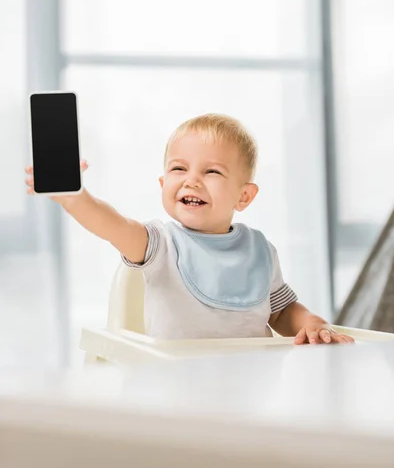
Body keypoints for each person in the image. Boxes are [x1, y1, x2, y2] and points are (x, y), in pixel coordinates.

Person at [25, 113, 354, 345]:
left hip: (252, 385)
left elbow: (281, 312)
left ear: (244, 195)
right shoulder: (158, 244)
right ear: (162, 183)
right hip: (175, 384)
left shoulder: (260, 250)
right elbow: (113, 226)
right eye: (178, 168)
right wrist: (75, 199)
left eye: (212, 171)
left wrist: (312, 324)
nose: (191, 180)